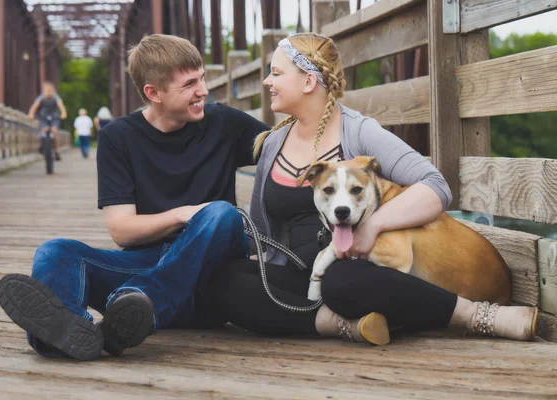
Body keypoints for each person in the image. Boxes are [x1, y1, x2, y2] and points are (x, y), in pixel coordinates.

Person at [205, 33, 538, 345]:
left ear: (308, 81)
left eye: (276, 74)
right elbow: (263, 234)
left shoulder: (359, 132)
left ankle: (476, 315)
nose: (268, 82)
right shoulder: (272, 144)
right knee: (224, 279)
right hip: (298, 277)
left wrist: (373, 225)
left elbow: (436, 187)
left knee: (342, 283)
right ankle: (341, 324)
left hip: (355, 272)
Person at [0, 34, 269, 361]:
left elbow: (288, 151)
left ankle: (140, 304)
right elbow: (122, 230)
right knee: (55, 252)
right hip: (142, 276)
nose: (204, 91)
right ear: (153, 93)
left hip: (210, 282)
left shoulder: (225, 122)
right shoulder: (118, 137)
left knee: (222, 215)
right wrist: (185, 214)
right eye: (190, 84)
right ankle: (68, 333)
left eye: (203, 78)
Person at [28, 81, 67, 161]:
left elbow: (61, 106)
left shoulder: (56, 97)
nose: (48, 92)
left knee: (54, 131)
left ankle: (56, 151)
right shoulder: (41, 97)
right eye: (46, 90)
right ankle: (43, 145)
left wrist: (63, 113)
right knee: (43, 131)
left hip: (54, 117)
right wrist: (31, 114)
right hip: (43, 118)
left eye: (50, 90)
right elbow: (34, 107)